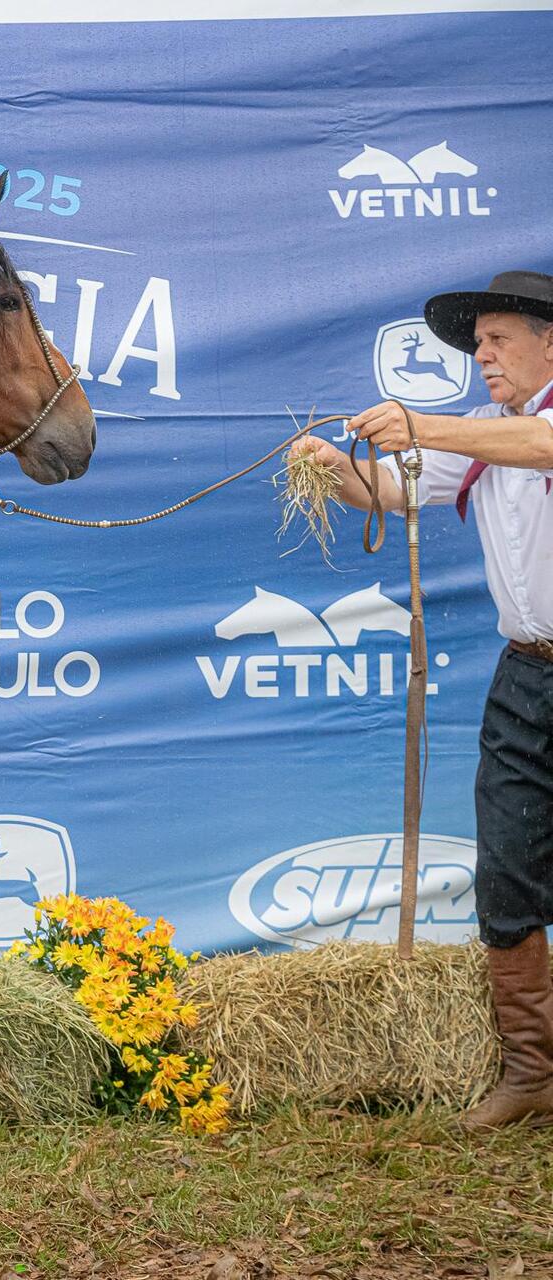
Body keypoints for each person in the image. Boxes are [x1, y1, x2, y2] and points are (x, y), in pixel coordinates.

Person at [294, 270, 553, 1129]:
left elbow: (546, 445)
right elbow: (394, 491)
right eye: (476, 343)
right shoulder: (484, 431)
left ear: (551, 341)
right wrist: (335, 470)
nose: (481, 356)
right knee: (508, 866)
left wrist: (418, 423)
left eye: (497, 340)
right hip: (528, 670)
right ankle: (533, 1074)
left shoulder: (516, 431)